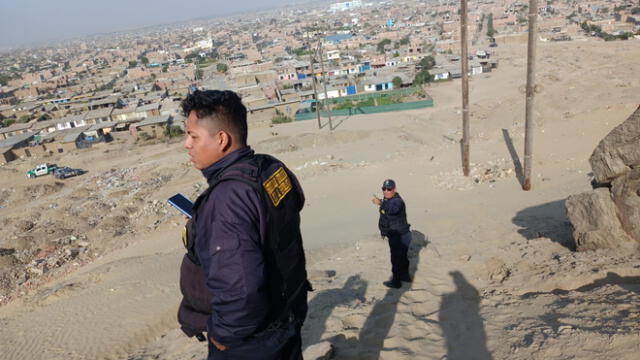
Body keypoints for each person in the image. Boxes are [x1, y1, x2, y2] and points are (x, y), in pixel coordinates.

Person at [177, 89, 311, 359]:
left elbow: (241, 287)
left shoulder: (227, 200)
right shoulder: (270, 167)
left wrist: (225, 336)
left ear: (222, 139)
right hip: (288, 311)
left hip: (251, 340)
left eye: (193, 136)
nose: (186, 144)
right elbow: (292, 205)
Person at [371, 179, 411, 289]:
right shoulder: (388, 200)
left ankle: (396, 282)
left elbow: (393, 209)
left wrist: (380, 203)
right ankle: (405, 277)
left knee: (396, 259)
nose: (386, 191)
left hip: (400, 235)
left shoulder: (398, 201)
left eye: (389, 189)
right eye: (384, 189)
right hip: (396, 234)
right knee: (402, 257)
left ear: (394, 189)